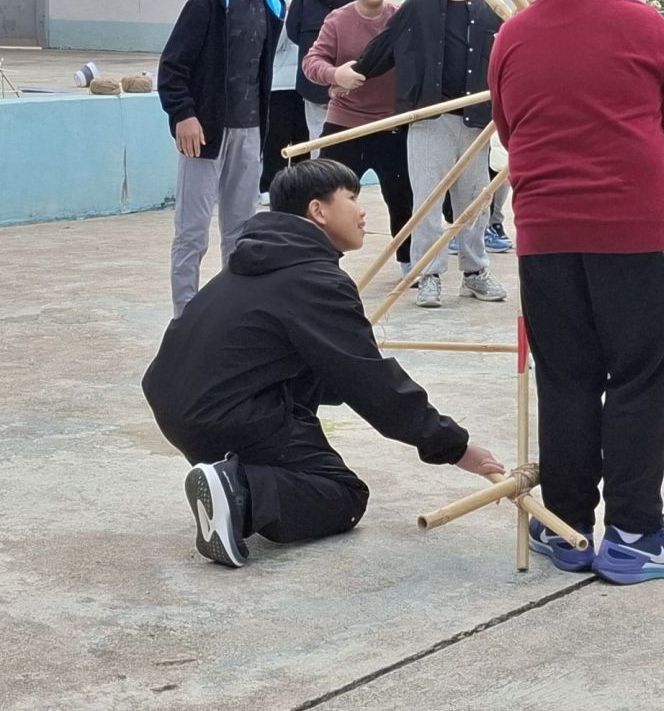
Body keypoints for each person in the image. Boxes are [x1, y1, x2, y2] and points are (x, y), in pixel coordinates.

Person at [489, 0, 664, 585]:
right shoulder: (643, 24)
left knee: (566, 378)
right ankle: (636, 533)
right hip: (636, 232)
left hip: (544, 234)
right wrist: (649, 191)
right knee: (642, 378)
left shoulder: (512, 34)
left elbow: (510, 129)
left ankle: (567, 524)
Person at [141, 159, 502, 569]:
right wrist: (455, 447)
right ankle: (239, 491)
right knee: (342, 496)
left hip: (178, 405)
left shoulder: (260, 259)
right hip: (225, 416)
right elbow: (370, 383)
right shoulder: (313, 279)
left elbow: (330, 372)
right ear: (318, 210)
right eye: (352, 198)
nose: (363, 212)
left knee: (308, 395)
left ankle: (232, 480)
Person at [346, 0, 506, 309]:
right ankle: (428, 274)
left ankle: (474, 272)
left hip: (475, 120)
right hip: (430, 119)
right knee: (428, 201)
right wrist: (354, 73)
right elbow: (385, 45)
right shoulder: (418, 7)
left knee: (475, 202)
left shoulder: (491, 9)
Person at [159, 0, 286, 316]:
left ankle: (234, 315)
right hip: (206, 134)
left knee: (242, 232)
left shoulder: (271, 6)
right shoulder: (207, 3)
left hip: (250, 131)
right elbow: (173, 66)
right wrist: (184, 114)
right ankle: (184, 317)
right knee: (192, 232)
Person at [302, 0, 412, 272]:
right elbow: (312, 61)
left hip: (392, 125)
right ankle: (321, 264)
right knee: (327, 196)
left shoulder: (400, 18)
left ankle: (410, 263)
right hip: (345, 123)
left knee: (403, 197)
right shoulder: (338, 20)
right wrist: (336, 75)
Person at [485, 0, 548, 252]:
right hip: (499, 105)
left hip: (531, 106)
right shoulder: (498, 19)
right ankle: (485, 223)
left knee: (509, 170)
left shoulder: (545, 21)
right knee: (495, 166)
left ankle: (495, 221)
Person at [286, 0, 356, 139]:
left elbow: (292, 30)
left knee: (318, 136)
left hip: (313, 80)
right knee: (349, 137)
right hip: (348, 77)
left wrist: (311, 46)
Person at [261, 0, 307, 196]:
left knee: (303, 140)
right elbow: (274, 46)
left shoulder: (310, 6)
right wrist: (286, 16)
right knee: (276, 140)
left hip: (305, 84)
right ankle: (269, 187)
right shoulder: (274, 9)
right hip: (279, 86)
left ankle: (302, 188)